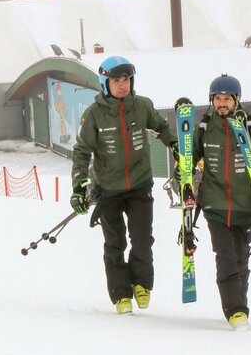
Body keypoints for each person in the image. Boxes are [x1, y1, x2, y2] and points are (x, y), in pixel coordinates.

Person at [70, 55, 178, 315]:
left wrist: (176, 146)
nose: (122, 85)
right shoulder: (94, 115)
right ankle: (121, 294)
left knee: (142, 240)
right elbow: (82, 152)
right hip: (109, 189)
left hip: (140, 184)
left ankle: (141, 284)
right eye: (116, 80)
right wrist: (79, 187)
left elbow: (163, 129)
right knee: (115, 243)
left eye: (126, 79)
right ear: (105, 83)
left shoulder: (142, 106)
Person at [193, 74, 251, 330]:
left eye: (227, 99)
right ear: (211, 100)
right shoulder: (204, 128)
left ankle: (238, 303)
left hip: (245, 206)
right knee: (226, 257)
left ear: (236, 100)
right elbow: (189, 157)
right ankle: (236, 310)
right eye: (217, 99)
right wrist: (183, 172)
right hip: (214, 205)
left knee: (241, 260)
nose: (222, 104)